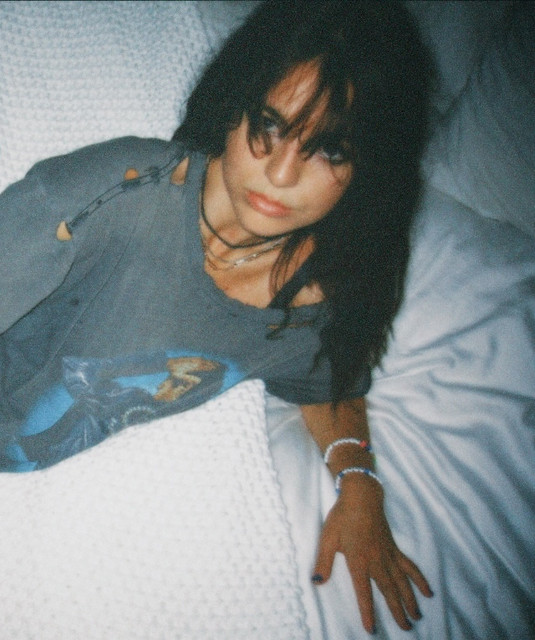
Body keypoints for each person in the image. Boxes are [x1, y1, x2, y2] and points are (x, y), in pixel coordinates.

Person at [0, 0, 434, 634]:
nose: (280, 173)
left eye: (329, 150)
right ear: (234, 105)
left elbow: (329, 379)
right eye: (269, 124)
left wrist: (360, 482)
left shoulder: (320, 297)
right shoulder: (108, 196)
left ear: (369, 171)